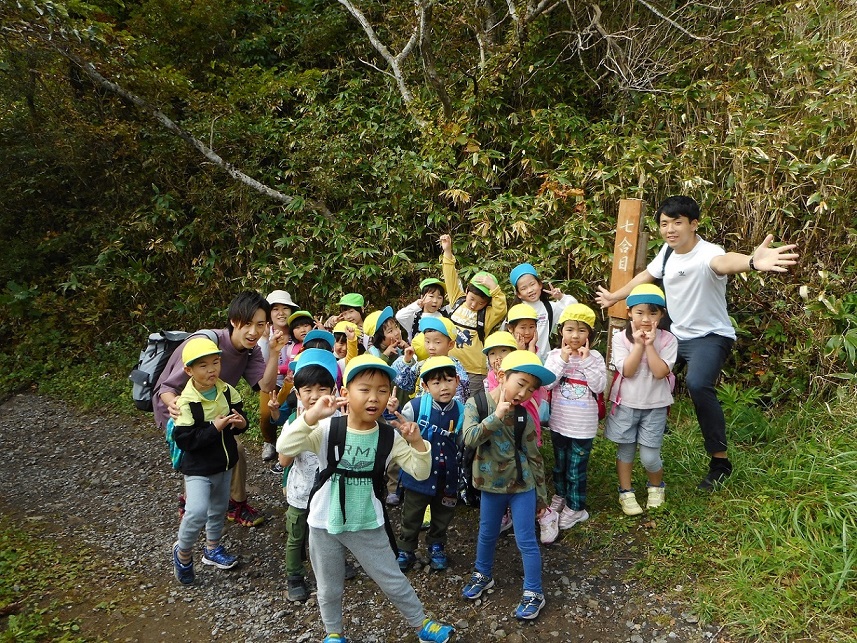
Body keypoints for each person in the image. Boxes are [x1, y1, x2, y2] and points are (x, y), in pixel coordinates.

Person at [595, 195, 798, 489]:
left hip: (710, 336)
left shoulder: (707, 253)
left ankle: (720, 461)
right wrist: (616, 296)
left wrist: (752, 262)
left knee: (698, 384)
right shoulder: (667, 252)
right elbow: (646, 276)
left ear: (694, 224)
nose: (670, 229)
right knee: (641, 364)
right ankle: (645, 425)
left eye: (677, 223)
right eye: (665, 224)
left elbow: (725, 262)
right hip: (675, 330)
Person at [277, 354, 455, 643]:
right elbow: (284, 447)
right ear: (346, 393)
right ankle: (333, 633)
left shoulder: (389, 436)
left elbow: (420, 472)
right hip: (323, 523)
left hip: (367, 521)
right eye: (365, 389)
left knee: (392, 579)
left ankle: (422, 624)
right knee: (328, 586)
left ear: (390, 395)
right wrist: (310, 416)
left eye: (382, 390)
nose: (374, 398)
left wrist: (418, 443)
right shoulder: (326, 429)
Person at [155, 291, 284, 526]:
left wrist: (274, 352)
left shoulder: (251, 350)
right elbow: (166, 387)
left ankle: (233, 504)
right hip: (179, 411)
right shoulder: (206, 343)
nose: (254, 332)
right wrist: (174, 405)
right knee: (204, 454)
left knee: (232, 450)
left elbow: (265, 386)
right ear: (234, 321)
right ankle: (193, 504)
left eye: (260, 325)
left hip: (213, 410)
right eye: (247, 324)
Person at [461, 350, 553, 621]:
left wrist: (541, 496)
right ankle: (482, 574)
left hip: (521, 485)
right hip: (489, 485)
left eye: (530, 389)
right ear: (502, 376)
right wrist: (496, 416)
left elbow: (534, 457)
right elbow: (469, 438)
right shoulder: (476, 404)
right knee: (487, 533)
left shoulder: (524, 416)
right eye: (520, 383)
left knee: (526, 539)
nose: (523, 393)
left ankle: (534, 591)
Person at [170, 337, 247, 585]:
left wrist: (241, 424)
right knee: (196, 511)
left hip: (224, 464)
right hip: (198, 469)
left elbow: (239, 418)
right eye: (203, 366)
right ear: (188, 371)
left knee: (218, 509)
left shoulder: (226, 390)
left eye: (215, 362)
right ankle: (183, 554)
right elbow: (186, 440)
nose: (212, 369)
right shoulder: (187, 403)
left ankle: (212, 549)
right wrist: (214, 428)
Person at [269, 349, 340, 601]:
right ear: (297, 393)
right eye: (307, 390)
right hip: (301, 492)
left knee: (332, 531)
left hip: (331, 491)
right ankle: (294, 576)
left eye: (322, 389)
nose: (314, 396)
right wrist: (302, 428)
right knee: (296, 536)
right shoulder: (293, 422)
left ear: (333, 391)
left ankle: (331, 569)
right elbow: (283, 459)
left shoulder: (342, 418)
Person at [605, 285, 677, 515]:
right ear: (629, 313)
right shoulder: (619, 339)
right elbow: (626, 371)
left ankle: (656, 486)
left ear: (662, 315)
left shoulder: (668, 340)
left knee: (649, 456)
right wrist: (638, 345)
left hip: (655, 406)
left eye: (653, 313)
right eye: (640, 313)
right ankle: (626, 492)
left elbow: (659, 372)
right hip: (625, 404)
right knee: (625, 451)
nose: (646, 319)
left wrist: (649, 346)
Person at [396, 357, 464, 573]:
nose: (444, 387)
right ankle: (406, 548)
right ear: (424, 386)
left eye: (449, 381)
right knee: (412, 513)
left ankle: (437, 545)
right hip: (418, 474)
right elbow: (400, 432)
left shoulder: (462, 410)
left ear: (457, 380)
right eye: (436, 383)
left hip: (447, 474)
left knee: (443, 513)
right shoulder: (415, 407)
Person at [543, 304, 606, 528]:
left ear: (590, 334)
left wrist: (586, 360)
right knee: (560, 465)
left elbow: (599, 386)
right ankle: (561, 496)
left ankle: (577, 507)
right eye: (570, 329)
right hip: (559, 423)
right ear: (561, 331)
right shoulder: (554, 355)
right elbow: (548, 382)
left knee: (575, 469)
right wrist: (563, 358)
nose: (575, 335)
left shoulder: (596, 358)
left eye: (581, 330)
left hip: (583, 427)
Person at [439, 234, 507, 393]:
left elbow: (501, 307)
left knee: (472, 407)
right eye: (472, 299)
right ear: (467, 291)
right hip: (450, 364)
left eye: (481, 302)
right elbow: (450, 276)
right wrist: (447, 251)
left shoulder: (487, 315)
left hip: (474, 371)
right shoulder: (458, 299)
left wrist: (494, 288)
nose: (475, 304)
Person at [509, 263, 577, 364]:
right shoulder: (515, 311)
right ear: (518, 294)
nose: (530, 290)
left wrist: (561, 297)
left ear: (540, 284)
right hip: (519, 359)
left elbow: (573, 308)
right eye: (524, 288)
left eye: (532, 284)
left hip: (545, 361)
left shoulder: (549, 308)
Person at [392, 316, 470, 403]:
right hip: (423, 412)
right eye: (427, 341)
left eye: (437, 342)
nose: (431, 347)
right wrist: (406, 361)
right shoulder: (421, 365)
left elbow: (461, 396)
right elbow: (405, 383)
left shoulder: (454, 367)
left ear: (450, 344)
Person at [259, 290, 297, 463]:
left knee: (289, 413)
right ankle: (269, 441)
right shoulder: (264, 332)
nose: (281, 313)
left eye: (285, 308)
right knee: (266, 413)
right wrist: (265, 339)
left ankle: (290, 446)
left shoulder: (297, 329)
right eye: (275, 309)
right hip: (271, 381)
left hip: (294, 382)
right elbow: (262, 361)